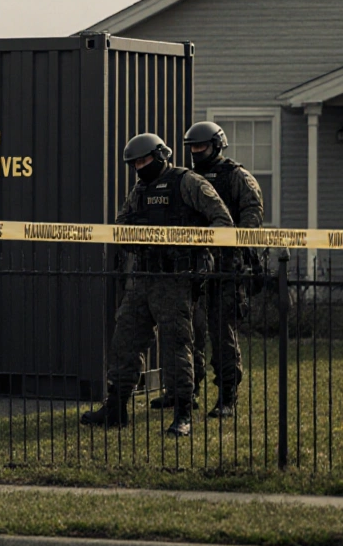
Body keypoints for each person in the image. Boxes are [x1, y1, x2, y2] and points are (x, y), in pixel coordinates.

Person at [81, 133, 234, 437]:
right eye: (135, 163)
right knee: (125, 340)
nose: (140, 167)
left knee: (176, 345)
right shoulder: (139, 190)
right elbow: (121, 225)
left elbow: (222, 221)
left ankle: (182, 412)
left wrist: (193, 245)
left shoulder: (188, 182)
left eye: (144, 160)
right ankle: (116, 407)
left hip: (176, 279)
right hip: (143, 277)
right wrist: (136, 236)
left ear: (162, 156)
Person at [183, 121, 265, 418]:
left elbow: (252, 213)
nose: (196, 151)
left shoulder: (236, 176)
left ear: (216, 145)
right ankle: (187, 391)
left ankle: (227, 397)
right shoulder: (188, 178)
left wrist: (234, 246)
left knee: (222, 334)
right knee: (189, 331)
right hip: (194, 263)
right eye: (192, 147)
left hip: (226, 265)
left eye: (201, 146)